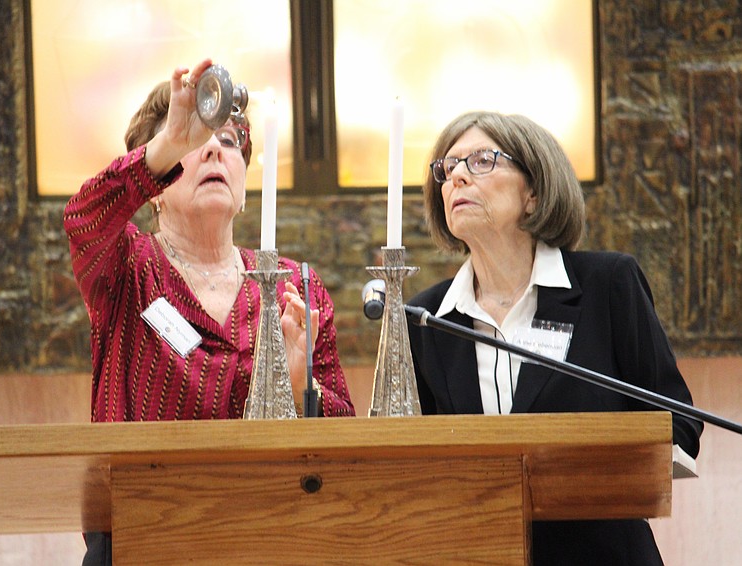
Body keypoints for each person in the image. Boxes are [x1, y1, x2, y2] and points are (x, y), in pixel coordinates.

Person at [64, 59, 355, 565]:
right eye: (197, 141)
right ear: (154, 185)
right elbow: (84, 216)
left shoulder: (295, 286)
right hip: (145, 536)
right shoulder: (127, 267)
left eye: (230, 141)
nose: (217, 148)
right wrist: (168, 142)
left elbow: (345, 438)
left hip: (274, 537)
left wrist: (298, 386)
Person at [406, 111, 702, 565]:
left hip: (602, 553)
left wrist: (593, 473)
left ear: (534, 193)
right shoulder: (427, 318)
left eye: (482, 160)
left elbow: (677, 419)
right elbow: (417, 462)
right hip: (479, 553)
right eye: (448, 168)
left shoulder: (607, 285)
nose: (458, 177)